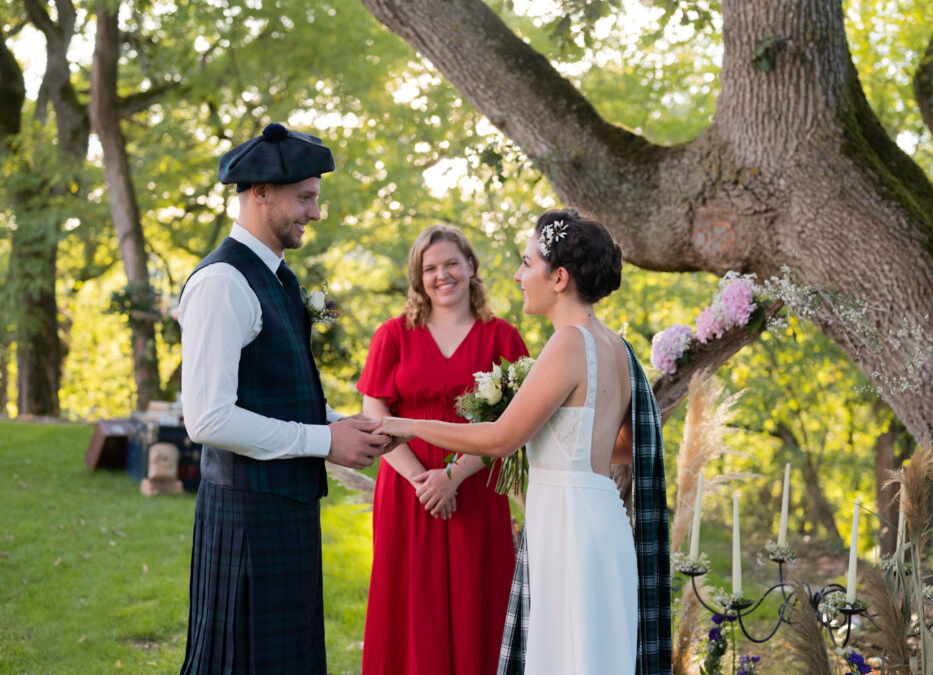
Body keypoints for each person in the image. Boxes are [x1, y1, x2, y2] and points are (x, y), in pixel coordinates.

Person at [377, 209, 673, 675]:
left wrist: (408, 426)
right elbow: (620, 446)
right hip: (596, 519)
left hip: (571, 528)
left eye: (527, 263)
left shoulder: (568, 343)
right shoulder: (613, 344)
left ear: (557, 278)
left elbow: (500, 439)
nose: (518, 275)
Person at [178, 122, 393, 675]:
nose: (316, 213)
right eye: (305, 198)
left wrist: (338, 423)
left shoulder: (282, 279)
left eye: (315, 198)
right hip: (247, 516)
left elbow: (280, 386)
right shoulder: (222, 282)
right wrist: (323, 440)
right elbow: (206, 418)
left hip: (285, 507)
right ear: (260, 193)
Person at [358, 224, 529, 675]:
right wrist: (425, 481)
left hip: (476, 485)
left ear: (471, 266)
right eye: (429, 268)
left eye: (452, 263)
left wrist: (453, 475)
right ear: (418, 277)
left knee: (480, 598)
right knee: (411, 605)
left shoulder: (503, 338)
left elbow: (514, 422)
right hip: (409, 491)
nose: (442, 275)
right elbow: (375, 416)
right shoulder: (392, 336)